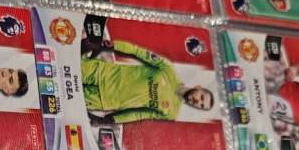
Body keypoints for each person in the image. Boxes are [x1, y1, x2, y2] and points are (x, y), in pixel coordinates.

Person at [80, 37, 213, 123]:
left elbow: (139, 114)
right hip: (101, 73)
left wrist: (112, 119)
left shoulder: (172, 113)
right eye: (201, 97)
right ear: (198, 87)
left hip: (102, 99)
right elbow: (139, 52)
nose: (197, 101)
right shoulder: (169, 69)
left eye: (201, 105)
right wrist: (111, 46)